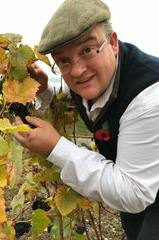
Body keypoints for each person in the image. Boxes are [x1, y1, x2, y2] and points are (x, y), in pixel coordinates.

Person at [14, 0, 159, 239]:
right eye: (63, 61)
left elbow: (134, 193)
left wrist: (56, 148)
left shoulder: (148, 99)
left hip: (141, 186)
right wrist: (43, 90)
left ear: (112, 43)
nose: (77, 70)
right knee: (133, 227)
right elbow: (72, 93)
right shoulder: (98, 78)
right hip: (135, 181)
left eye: (87, 50)